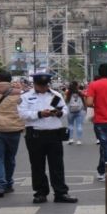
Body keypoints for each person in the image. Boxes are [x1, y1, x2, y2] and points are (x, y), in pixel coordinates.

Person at [17, 72, 77, 204]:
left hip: (54, 133)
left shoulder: (55, 95)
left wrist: (59, 112)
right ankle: (40, 192)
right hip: (35, 134)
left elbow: (64, 110)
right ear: (35, 84)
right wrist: (39, 114)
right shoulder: (26, 97)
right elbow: (22, 113)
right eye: (40, 85)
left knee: (57, 165)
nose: (43, 88)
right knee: (37, 165)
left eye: (45, 85)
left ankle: (61, 192)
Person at [0, 71, 25, 197]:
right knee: (10, 158)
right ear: (10, 79)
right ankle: (8, 183)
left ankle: (0, 185)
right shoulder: (19, 94)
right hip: (14, 129)